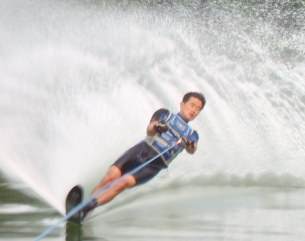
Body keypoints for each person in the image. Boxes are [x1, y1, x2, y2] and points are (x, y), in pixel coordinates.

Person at [72, 92, 206, 222]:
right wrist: (158, 127)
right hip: (140, 150)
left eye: (198, 109)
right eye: (192, 105)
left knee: (122, 183)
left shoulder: (192, 134)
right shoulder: (165, 114)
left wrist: (188, 143)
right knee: (110, 177)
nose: (194, 110)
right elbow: (150, 128)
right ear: (182, 104)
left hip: (154, 165)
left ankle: (87, 207)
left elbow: (192, 149)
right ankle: (85, 211)